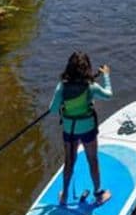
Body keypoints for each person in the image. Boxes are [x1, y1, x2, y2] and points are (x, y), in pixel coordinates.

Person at [48, 51, 113, 206]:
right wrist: (106, 76)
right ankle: (98, 193)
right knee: (92, 160)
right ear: (87, 69)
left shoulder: (62, 87)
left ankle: (64, 196)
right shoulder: (91, 87)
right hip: (88, 130)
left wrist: (63, 102)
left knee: (69, 162)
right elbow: (108, 95)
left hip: (70, 131)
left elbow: (52, 109)